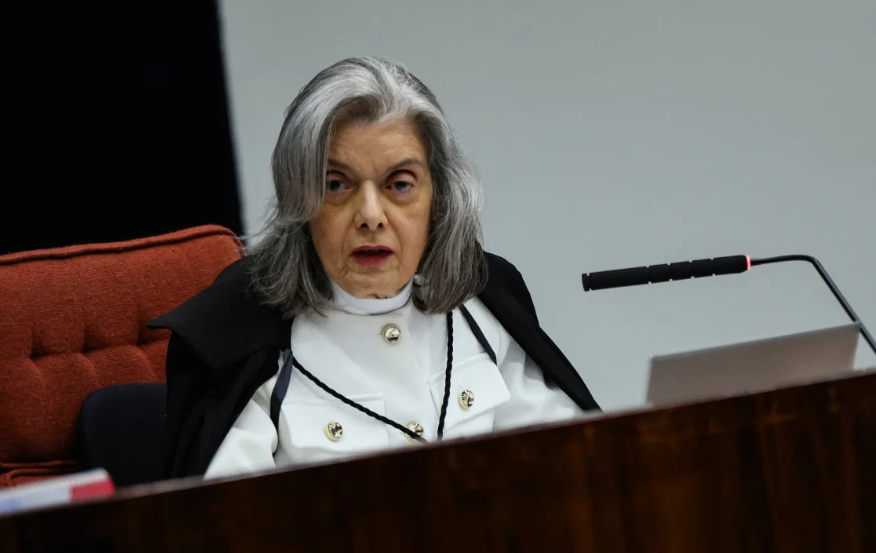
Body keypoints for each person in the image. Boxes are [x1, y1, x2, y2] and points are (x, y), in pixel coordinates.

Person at [149, 57, 600, 480]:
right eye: (336, 185)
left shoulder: (482, 300)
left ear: (438, 200)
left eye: (399, 185)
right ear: (299, 204)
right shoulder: (239, 340)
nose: (370, 214)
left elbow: (580, 463)